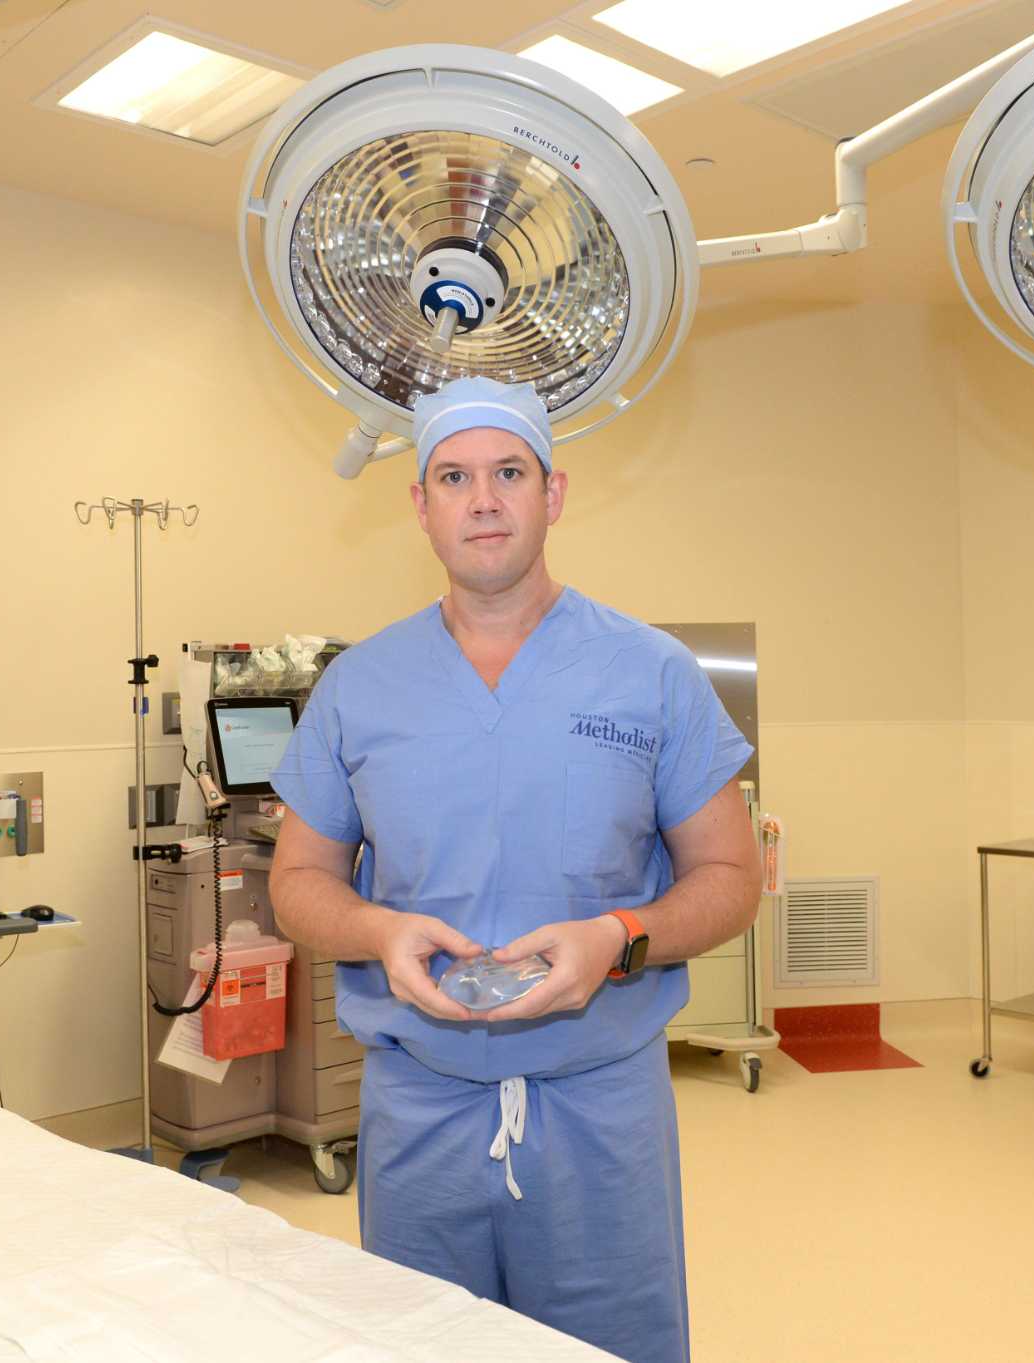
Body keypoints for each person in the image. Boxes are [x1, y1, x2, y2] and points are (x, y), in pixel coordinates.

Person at [268, 375, 761, 1363]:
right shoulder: (359, 686)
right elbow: (297, 882)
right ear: (420, 504)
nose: (482, 499)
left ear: (553, 493)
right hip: (418, 1109)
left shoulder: (650, 672)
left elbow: (729, 874)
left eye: (508, 472)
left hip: (599, 1111)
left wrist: (618, 938)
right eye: (453, 477)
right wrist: (377, 931)